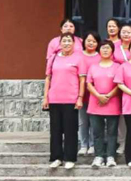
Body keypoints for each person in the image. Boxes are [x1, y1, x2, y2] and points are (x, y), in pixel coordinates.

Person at [43, 34, 87, 169]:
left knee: (70, 130)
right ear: (60, 43)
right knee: (55, 130)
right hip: (54, 99)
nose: (66, 43)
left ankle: (70, 158)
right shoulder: (53, 58)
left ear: (74, 43)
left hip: (71, 99)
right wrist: (45, 97)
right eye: (64, 41)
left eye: (69, 41)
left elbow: (82, 80)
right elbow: (48, 78)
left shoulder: (79, 58)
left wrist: (80, 97)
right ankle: (56, 157)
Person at [84, 39, 120, 168]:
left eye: (108, 48)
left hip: (113, 103)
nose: (105, 50)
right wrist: (99, 96)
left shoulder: (117, 67)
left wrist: (108, 96)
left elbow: (119, 84)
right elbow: (89, 84)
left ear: (112, 51)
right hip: (95, 103)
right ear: (99, 50)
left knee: (112, 132)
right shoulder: (93, 67)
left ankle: (110, 156)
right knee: (97, 132)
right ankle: (98, 156)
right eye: (103, 48)